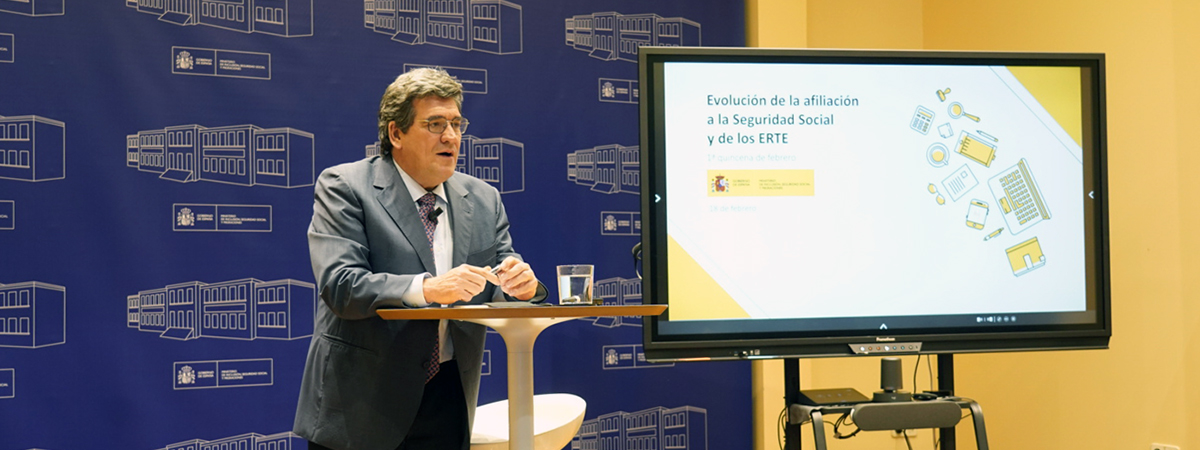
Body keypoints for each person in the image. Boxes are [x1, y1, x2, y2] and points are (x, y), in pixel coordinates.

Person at [294, 67, 546, 450]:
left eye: (457, 124)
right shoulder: (345, 187)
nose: (451, 136)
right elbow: (341, 285)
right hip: (361, 403)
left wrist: (522, 288)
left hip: (447, 398)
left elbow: (502, 278)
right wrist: (426, 289)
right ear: (396, 133)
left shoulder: (483, 199)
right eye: (435, 124)